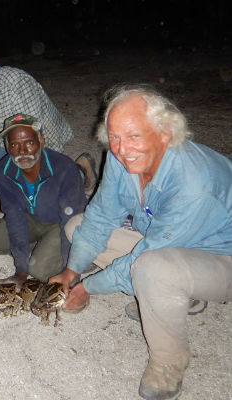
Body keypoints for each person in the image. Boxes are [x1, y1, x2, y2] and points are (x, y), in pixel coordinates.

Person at [49, 85, 232, 400]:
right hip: (168, 238)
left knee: (151, 268)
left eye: (134, 136)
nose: (122, 149)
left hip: (220, 258)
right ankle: (176, 296)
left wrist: (87, 287)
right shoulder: (121, 158)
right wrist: (72, 271)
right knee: (77, 227)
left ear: (164, 133)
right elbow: (101, 217)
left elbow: (142, 258)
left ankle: (168, 365)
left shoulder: (194, 183)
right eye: (115, 137)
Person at [0, 48, 96, 216]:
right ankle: (6, 195)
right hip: (0, 134)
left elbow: (30, 135)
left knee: (46, 189)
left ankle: (79, 172)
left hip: (37, 138)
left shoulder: (17, 83)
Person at [0, 113, 87, 287]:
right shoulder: (2, 171)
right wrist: (21, 271)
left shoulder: (64, 168)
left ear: (41, 141)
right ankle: (41, 249)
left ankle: (85, 257)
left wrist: (72, 271)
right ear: (7, 147)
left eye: (29, 142)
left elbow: (71, 221)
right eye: (14, 144)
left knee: (39, 271)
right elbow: (15, 217)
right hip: (32, 217)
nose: (22, 151)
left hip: (61, 222)